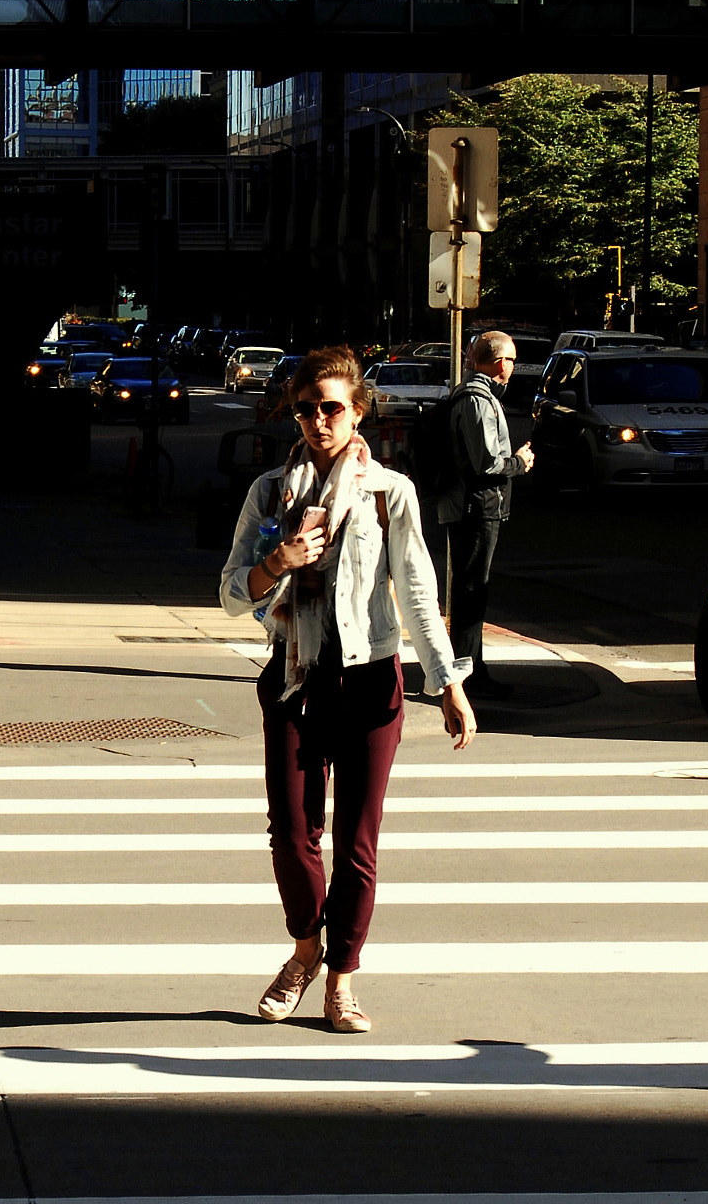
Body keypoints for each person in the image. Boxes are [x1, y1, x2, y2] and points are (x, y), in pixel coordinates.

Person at [221, 345, 475, 1034]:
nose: (317, 420)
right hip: (293, 679)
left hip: (369, 678)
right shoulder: (269, 492)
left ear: (357, 410)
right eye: (304, 409)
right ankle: (304, 948)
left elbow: (417, 591)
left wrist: (446, 680)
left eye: (331, 407)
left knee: (357, 845)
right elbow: (227, 595)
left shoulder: (389, 494)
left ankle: (341, 978)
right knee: (291, 835)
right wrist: (277, 560)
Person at [437, 330, 534, 701]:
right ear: (499, 362)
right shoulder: (478, 401)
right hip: (475, 508)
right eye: (511, 359)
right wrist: (520, 463)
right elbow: (486, 464)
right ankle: (467, 674)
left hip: (472, 506)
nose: (512, 367)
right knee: (470, 590)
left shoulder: (475, 396)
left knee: (471, 590)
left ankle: (471, 668)